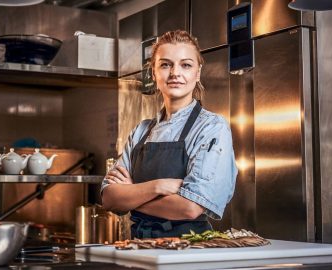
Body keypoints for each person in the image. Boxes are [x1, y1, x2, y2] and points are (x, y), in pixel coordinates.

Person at [101, 30, 238, 239]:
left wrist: (133, 193)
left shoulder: (211, 127)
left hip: (188, 251)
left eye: (186, 65)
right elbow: (110, 199)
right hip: (140, 249)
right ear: (154, 73)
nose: (175, 73)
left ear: (198, 73)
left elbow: (190, 208)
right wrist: (159, 186)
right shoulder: (141, 131)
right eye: (165, 64)